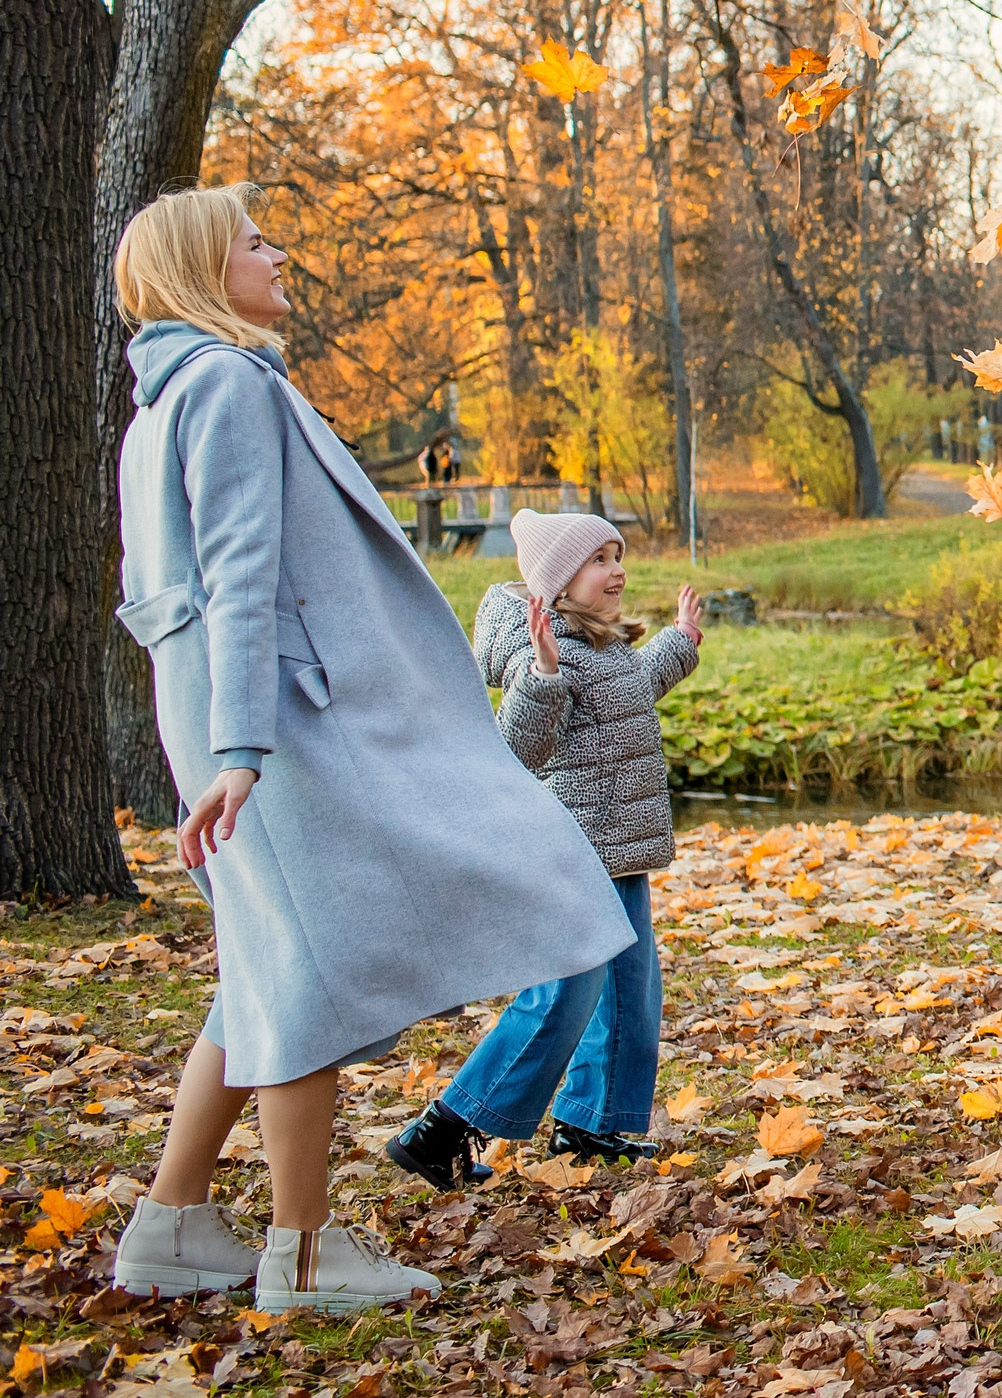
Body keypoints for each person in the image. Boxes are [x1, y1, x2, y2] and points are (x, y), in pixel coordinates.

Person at [106, 185, 635, 1311]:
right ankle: (303, 1254)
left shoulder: (158, 410)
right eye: (255, 242)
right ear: (206, 269)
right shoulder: (229, 388)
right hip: (280, 724)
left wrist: (222, 741)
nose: (277, 251)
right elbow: (238, 577)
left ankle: (170, 1224)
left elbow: (171, 601)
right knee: (301, 977)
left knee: (262, 965)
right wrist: (244, 749)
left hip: (232, 717)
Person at [387, 515, 703, 1185]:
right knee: (564, 992)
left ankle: (589, 1123)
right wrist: (543, 674)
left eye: (618, 554)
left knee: (627, 988)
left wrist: (680, 643)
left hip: (619, 852)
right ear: (560, 583)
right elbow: (515, 748)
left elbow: (635, 690)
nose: (616, 569)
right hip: (574, 853)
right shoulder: (548, 650)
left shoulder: (607, 647)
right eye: (597, 558)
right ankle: (443, 1127)